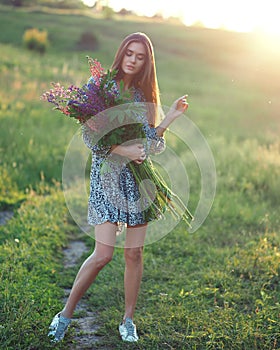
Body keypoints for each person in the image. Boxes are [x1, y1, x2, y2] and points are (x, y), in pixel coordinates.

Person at [48, 32, 188, 343]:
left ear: (146, 62)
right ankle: (65, 315)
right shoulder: (100, 86)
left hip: (137, 180)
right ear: (121, 52)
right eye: (130, 54)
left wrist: (173, 117)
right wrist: (124, 151)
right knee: (103, 255)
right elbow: (90, 138)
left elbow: (150, 143)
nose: (134, 60)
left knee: (134, 254)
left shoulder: (142, 95)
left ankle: (127, 320)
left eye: (140, 57)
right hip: (107, 179)